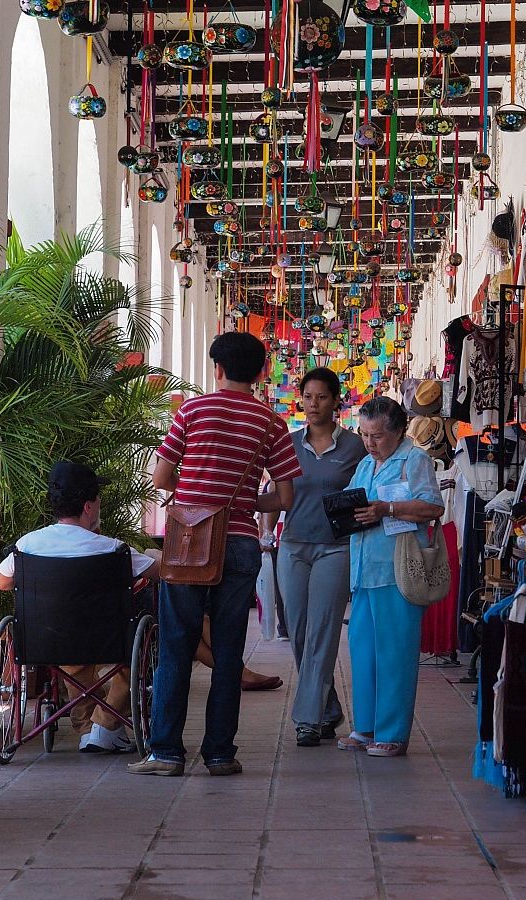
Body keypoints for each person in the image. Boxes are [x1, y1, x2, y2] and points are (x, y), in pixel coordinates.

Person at [130, 331, 301, 779]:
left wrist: (197, 492)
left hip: (188, 542)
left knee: (176, 646)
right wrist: (245, 503)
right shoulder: (271, 422)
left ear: (217, 368)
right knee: (228, 653)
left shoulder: (193, 410)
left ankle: (166, 752)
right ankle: (220, 753)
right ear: (262, 371)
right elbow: (285, 497)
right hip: (241, 543)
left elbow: (162, 478)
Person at [0, 461, 160, 755]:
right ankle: (105, 723)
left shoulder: (27, 545)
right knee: (132, 658)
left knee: (73, 664)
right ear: (88, 507)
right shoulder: (113, 550)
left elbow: (1, 582)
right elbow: (161, 572)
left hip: (45, 642)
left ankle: (94, 729)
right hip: (107, 643)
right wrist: (152, 554)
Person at [260, 367, 365, 747]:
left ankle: (307, 719)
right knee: (300, 631)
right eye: (308, 397)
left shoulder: (355, 447)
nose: (314, 404)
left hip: (336, 548)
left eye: (321, 397)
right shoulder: (287, 443)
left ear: (336, 400)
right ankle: (328, 706)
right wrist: (265, 531)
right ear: (299, 400)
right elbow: (277, 491)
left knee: (322, 629)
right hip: (293, 546)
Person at [337, 395, 443, 758]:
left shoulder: (414, 460)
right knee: (363, 650)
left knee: (395, 653)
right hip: (365, 570)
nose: (370, 442)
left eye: (377, 435)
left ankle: (393, 732)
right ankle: (365, 727)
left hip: (398, 571)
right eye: (365, 434)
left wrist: (389, 508)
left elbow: (432, 506)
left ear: (398, 432)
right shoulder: (366, 465)